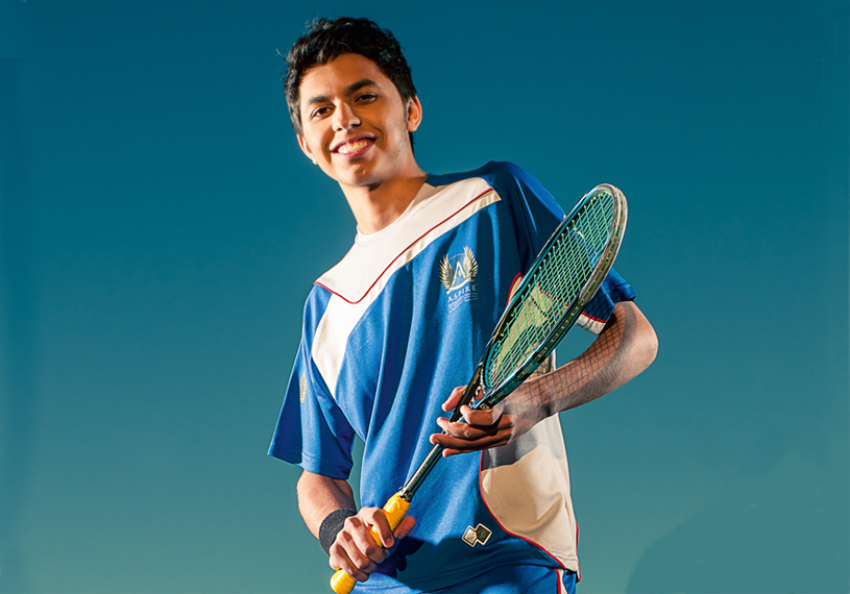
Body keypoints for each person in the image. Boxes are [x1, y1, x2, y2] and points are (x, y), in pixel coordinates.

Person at [269, 16, 658, 594]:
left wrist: (534, 401)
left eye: (364, 96)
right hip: (390, 582)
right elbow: (317, 475)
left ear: (411, 110)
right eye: (321, 109)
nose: (344, 118)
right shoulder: (324, 305)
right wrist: (338, 531)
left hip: (509, 560)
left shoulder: (495, 198)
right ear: (307, 143)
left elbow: (635, 337)